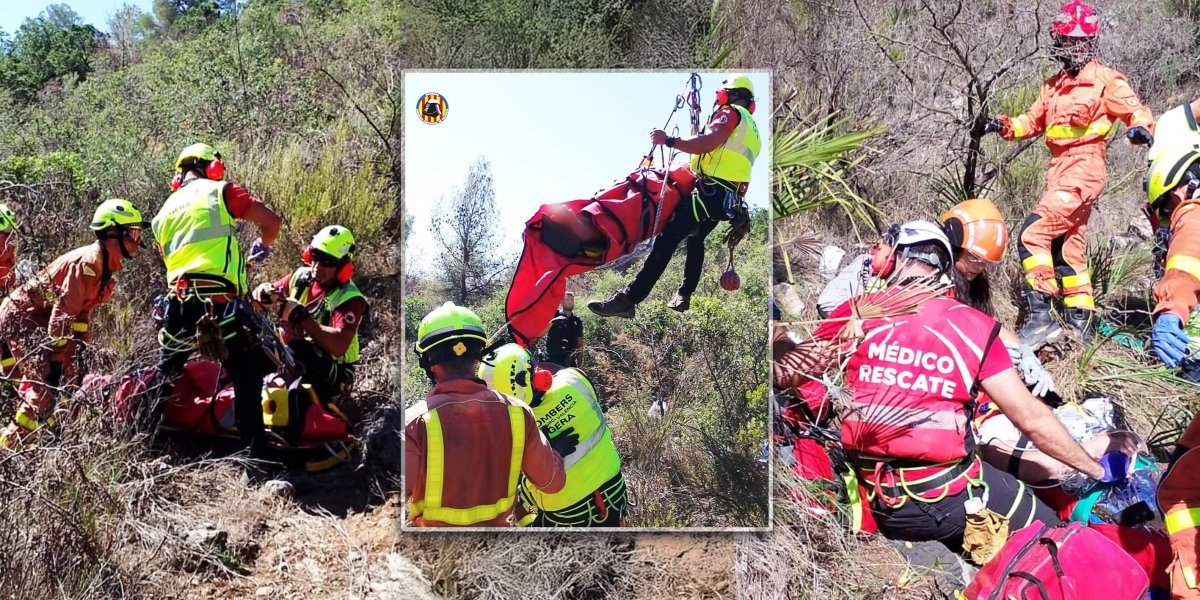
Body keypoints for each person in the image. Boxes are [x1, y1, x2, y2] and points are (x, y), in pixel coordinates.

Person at [775, 220, 1126, 549]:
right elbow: (1031, 419)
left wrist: (775, 333)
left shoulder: (858, 315)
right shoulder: (970, 326)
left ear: (895, 258)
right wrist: (1095, 469)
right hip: (947, 493)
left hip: (879, 500)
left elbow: (786, 373)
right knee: (1055, 542)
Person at [979, 0, 1154, 347]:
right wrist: (998, 124)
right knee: (1068, 251)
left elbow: (1137, 111)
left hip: (1086, 170)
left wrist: (1141, 129)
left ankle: (1041, 318)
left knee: (1032, 234)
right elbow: (1030, 122)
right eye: (1064, 39)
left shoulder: (1106, 81)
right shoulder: (1053, 86)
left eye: (1077, 40)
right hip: (1058, 171)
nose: (1070, 46)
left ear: (1090, 42)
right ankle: (1081, 325)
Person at [817, 199, 1055, 397]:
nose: (978, 267)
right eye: (973, 258)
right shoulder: (893, 264)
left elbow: (985, 324)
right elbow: (828, 305)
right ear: (954, 245)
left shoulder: (971, 284)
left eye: (985, 263)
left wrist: (1023, 351)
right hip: (880, 364)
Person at [141, 143, 282, 457]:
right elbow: (272, 222)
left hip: (177, 303)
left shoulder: (162, 214)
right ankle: (256, 462)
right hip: (221, 305)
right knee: (247, 377)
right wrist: (262, 245)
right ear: (212, 167)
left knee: (166, 373)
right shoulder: (221, 191)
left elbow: (180, 261)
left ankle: (138, 442)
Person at [588, 74, 761, 318]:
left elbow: (708, 142)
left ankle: (629, 298)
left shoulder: (729, 113)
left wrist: (669, 140)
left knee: (667, 241)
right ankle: (684, 293)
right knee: (696, 239)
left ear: (727, 94)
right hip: (727, 201)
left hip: (710, 192)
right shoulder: (752, 128)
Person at [0, 199, 148, 449]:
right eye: (133, 233)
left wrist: (79, 353)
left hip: (39, 324)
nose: (137, 241)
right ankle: (9, 450)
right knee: (43, 389)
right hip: (22, 320)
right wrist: (59, 358)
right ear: (112, 233)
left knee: (69, 380)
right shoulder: (88, 263)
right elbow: (62, 315)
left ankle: (48, 440)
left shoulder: (102, 268)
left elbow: (80, 317)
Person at [405, 302, 569, 527]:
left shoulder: (415, 423)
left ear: (429, 363)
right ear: (479, 357)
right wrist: (554, 454)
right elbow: (552, 483)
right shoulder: (519, 413)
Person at [479, 343, 626, 527]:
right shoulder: (573, 378)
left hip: (566, 514)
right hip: (615, 490)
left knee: (518, 503)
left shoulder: (516, 425)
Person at [252, 226, 368, 401]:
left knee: (301, 350)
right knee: (255, 344)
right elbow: (257, 300)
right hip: (292, 354)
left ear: (343, 266)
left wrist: (302, 317)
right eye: (315, 257)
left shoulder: (350, 298)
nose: (317, 266)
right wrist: (262, 292)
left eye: (326, 262)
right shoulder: (300, 277)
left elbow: (339, 345)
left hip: (333, 371)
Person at [540, 292, 583, 367]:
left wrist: (579, 366)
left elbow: (580, 345)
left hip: (568, 363)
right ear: (561, 302)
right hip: (550, 360)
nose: (570, 301)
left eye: (572, 300)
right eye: (567, 299)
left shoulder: (577, 321)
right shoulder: (554, 314)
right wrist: (553, 322)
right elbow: (541, 334)